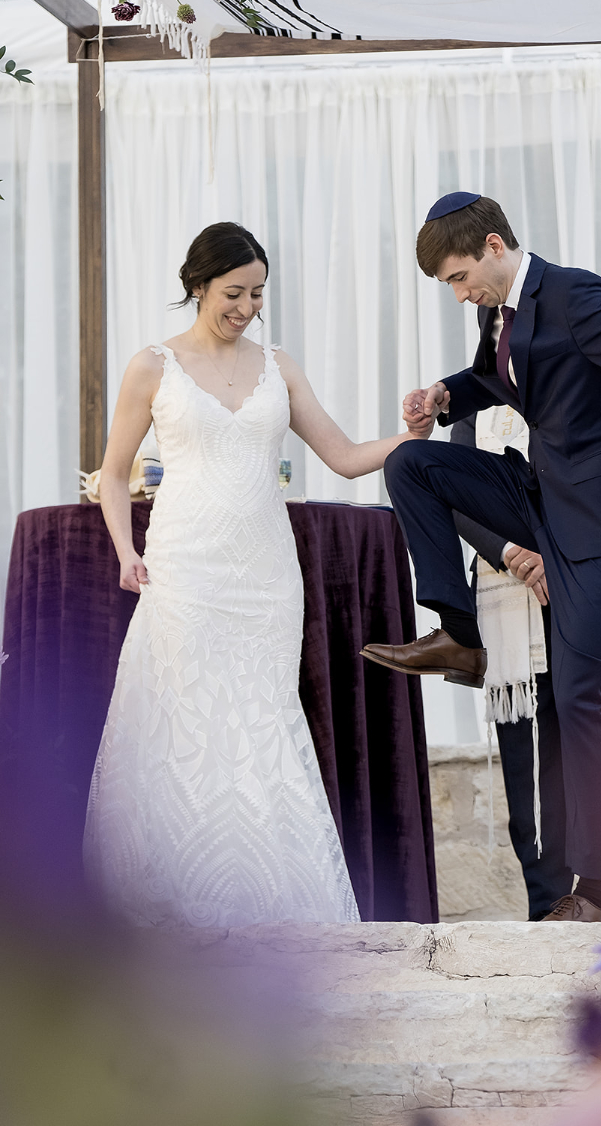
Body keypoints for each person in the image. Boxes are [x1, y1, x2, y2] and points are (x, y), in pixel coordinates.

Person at [362, 192, 601, 923]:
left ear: (494, 245)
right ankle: (460, 637)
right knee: (412, 466)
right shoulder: (501, 313)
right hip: (544, 498)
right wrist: (443, 398)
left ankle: (595, 892)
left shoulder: (575, 295)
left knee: (580, 695)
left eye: (461, 277)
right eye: (451, 287)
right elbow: (499, 382)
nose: (460, 295)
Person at [84, 221, 430, 929]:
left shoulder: (280, 365)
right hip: (183, 566)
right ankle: (173, 910)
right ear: (197, 286)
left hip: (267, 576)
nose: (245, 307)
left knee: (263, 723)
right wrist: (126, 550)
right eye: (233, 293)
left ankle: (272, 905)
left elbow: (341, 453)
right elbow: (113, 476)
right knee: (185, 725)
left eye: (257, 295)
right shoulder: (152, 366)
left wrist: (411, 439)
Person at [451, 407, 601, 922]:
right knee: (532, 773)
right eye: (500, 322)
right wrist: (513, 551)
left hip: (598, 593)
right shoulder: (473, 410)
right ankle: (550, 920)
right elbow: (455, 490)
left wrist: (567, 550)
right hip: (514, 599)